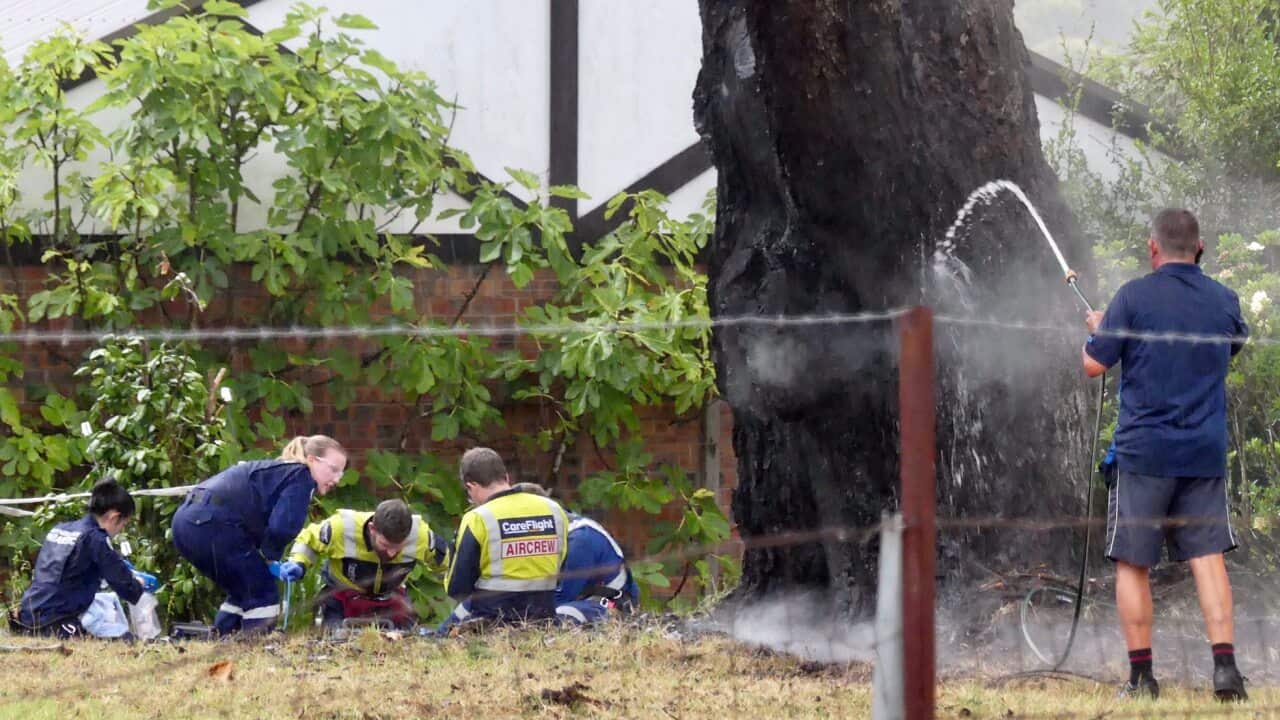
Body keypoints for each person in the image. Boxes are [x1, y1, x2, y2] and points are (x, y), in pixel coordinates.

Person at [1083, 208, 1248, 702]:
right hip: (1202, 453)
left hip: (1144, 454)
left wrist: (1101, 327)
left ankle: (1141, 679)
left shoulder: (1132, 297)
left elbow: (1093, 363)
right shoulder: (1224, 301)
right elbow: (1230, 346)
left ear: (1152, 248)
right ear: (1199, 248)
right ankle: (1226, 672)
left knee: (1133, 563)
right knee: (1207, 556)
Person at [172, 435, 346, 635]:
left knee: (243, 590)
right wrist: (270, 557)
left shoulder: (279, 473)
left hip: (186, 522)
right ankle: (256, 650)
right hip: (212, 525)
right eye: (333, 469)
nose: (337, 479)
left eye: (341, 473)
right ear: (312, 460)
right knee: (263, 591)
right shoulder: (302, 476)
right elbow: (283, 526)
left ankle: (222, 638)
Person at [9, 479, 158, 639]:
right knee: (126, 640)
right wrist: (139, 583)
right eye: (123, 524)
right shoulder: (96, 538)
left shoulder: (61, 529)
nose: (121, 530)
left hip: (27, 615)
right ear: (114, 517)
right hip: (52, 623)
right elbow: (127, 588)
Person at [440, 448, 569, 631]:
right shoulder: (554, 509)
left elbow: (457, 587)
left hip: (492, 624)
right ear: (506, 478)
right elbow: (561, 566)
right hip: (544, 621)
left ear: (471, 487)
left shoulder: (478, 518)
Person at [285, 499, 450, 629]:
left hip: (391, 597)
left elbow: (447, 564)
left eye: (398, 547)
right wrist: (298, 563)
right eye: (385, 545)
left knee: (407, 642)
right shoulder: (341, 527)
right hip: (343, 596)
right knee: (334, 642)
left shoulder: (421, 536)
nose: (392, 554)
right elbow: (309, 540)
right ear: (372, 529)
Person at [510, 482, 639, 625]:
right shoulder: (560, 532)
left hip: (608, 606)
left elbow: (563, 597)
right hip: (582, 601)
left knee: (551, 618)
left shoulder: (580, 539)